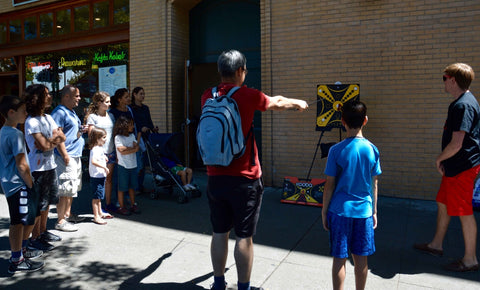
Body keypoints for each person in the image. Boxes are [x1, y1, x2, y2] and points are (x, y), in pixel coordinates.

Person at [202, 49, 308, 290]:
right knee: (244, 236)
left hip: (214, 177)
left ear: (220, 72)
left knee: (219, 232)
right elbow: (276, 102)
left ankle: (218, 283)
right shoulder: (247, 95)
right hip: (245, 179)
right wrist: (298, 103)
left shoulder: (207, 95)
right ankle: (243, 286)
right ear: (240, 71)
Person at [414, 63, 480, 272]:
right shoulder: (461, 102)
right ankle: (436, 245)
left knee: (464, 211)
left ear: (453, 80)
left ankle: (470, 259)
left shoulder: (463, 105)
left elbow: (457, 142)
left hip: (462, 168)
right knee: (442, 201)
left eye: (444, 78)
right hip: (454, 167)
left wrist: (439, 159)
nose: (443, 81)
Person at [321, 101, 381, 290]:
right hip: (363, 212)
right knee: (361, 261)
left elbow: (329, 185)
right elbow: (374, 184)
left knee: (339, 259)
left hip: (339, 211)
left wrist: (324, 211)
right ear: (365, 120)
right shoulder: (372, 149)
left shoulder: (335, 150)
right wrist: (374, 211)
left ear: (342, 121)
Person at [0, 95, 45, 273]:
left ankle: (22, 251)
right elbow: (21, 164)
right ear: (11, 113)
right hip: (19, 184)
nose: (26, 113)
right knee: (19, 222)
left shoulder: (3, 132)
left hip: (12, 184)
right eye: (23, 111)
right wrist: (30, 184)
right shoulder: (15, 134)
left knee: (29, 218)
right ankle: (16, 259)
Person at [24, 84, 66, 251]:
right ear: (37, 98)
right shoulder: (32, 122)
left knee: (48, 202)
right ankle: (34, 238)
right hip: (37, 169)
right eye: (46, 94)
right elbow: (43, 146)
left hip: (50, 166)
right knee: (39, 204)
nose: (50, 97)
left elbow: (60, 137)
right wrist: (54, 139)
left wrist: (53, 140)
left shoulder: (48, 117)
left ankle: (42, 231)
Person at [51, 85, 86, 232]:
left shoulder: (70, 111)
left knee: (71, 188)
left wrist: (81, 130)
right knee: (64, 189)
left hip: (75, 154)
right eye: (76, 96)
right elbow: (57, 135)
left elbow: (71, 131)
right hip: (67, 156)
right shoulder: (59, 112)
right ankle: (60, 221)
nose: (79, 98)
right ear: (66, 96)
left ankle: (68, 214)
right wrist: (64, 155)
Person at [85, 91, 115, 218]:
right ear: (99, 103)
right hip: (99, 153)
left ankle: (107, 204)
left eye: (109, 101)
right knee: (99, 181)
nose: (109, 104)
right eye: (107, 102)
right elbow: (91, 137)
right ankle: (98, 207)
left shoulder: (111, 116)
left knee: (108, 179)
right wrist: (98, 153)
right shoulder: (92, 117)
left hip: (111, 150)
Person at [130, 86, 157, 194]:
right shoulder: (131, 108)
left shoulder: (145, 108)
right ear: (134, 95)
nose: (143, 96)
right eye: (140, 94)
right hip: (137, 137)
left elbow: (149, 121)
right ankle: (135, 187)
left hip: (146, 136)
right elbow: (134, 122)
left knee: (145, 161)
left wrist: (152, 128)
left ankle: (140, 185)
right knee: (138, 163)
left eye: (143, 94)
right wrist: (140, 129)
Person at [113, 115, 141, 215]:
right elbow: (121, 150)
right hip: (123, 166)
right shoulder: (118, 137)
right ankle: (121, 206)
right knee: (122, 188)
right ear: (124, 125)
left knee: (132, 187)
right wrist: (133, 149)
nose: (132, 127)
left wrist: (128, 148)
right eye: (131, 125)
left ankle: (133, 204)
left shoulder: (132, 135)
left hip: (133, 165)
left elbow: (134, 146)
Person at [88, 126, 110, 225]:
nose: (106, 139)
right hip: (96, 176)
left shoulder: (99, 148)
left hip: (100, 176)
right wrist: (104, 167)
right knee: (96, 197)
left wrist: (104, 157)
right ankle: (96, 216)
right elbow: (93, 161)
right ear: (97, 139)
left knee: (99, 196)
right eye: (104, 137)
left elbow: (99, 157)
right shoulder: (95, 149)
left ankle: (100, 212)